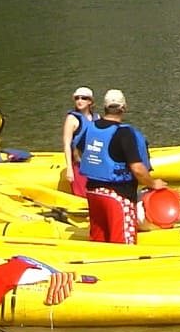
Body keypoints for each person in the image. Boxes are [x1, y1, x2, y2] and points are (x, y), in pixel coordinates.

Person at [72, 89, 165, 244]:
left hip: (93, 192)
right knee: (124, 243)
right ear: (123, 108)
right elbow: (137, 168)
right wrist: (153, 183)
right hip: (118, 196)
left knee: (99, 239)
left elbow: (79, 150)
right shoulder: (125, 133)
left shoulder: (90, 127)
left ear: (105, 107)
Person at [61, 86, 95, 196]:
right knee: (82, 196)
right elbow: (67, 144)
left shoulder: (97, 118)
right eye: (77, 98)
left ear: (90, 101)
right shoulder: (72, 119)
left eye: (83, 98)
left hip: (94, 165)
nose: (79, 101)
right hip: (79, 166)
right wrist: (69, 169)